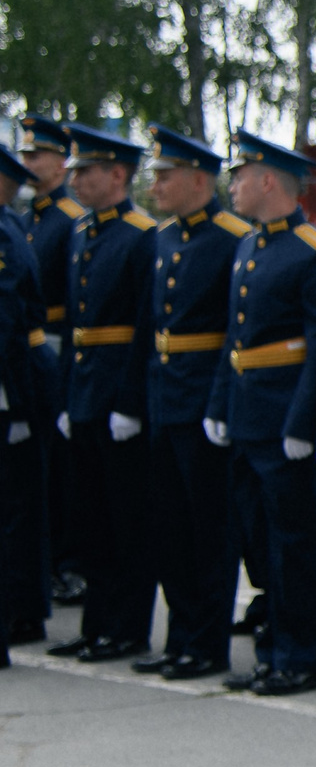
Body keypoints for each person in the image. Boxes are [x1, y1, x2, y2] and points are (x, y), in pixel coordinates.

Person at [208, 131, 316, 697]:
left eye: (239, 177)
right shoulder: (250, 245)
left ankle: (302, 656)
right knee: (260, 543)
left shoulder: (314, 252)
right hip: (246, 416)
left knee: (294, 544)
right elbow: (236, 338)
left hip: (284, 422)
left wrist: (301, 425)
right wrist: (219, 404)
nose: (232, 186)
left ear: (267, 181)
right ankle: (272, 651)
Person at [130, 126, 251, 681]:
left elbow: (235, 332)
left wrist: (220, 405)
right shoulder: (162, 238)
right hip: (164, 397)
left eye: (164, 175)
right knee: (167, 526)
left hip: (203, 400)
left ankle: (207, 641)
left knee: (209, 530)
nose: (154, 185)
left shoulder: (232, 238)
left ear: (198, 179)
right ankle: (181, 635)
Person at [45, 127, 157, 663]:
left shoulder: (141, 235)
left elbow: (142, 329)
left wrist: (130, 403)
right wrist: (68, 396)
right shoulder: (81, 231)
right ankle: (96, 625)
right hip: (85, 389)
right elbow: (74, 324)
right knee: (89, 515)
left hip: (117, 392)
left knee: (127, 518)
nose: (75, 179)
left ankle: (126, 626)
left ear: (117, 175)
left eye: (85, 171)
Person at [19, 116, 86, 611]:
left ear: (61, 163)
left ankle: (68, 561)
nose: (28, 164)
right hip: (30, 347)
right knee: (38, 464)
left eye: (37, 156)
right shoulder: (27, 220)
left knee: (64, 464)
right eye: (24, 156)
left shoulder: (70, 220)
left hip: (60, 345)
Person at [0, 147, 49, 653]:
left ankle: (17, 613)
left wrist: (14, 404)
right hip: (14, 386)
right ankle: (21, 611)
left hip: (11, 387)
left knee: (13, 511)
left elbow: (6, 325)